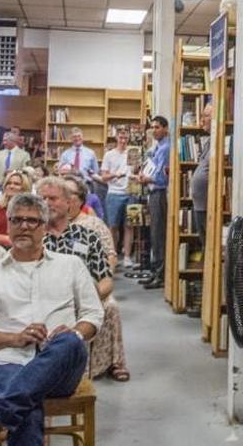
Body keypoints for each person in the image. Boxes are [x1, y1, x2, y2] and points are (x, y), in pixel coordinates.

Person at [0, 192, 102, 446]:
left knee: (70, 341)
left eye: (32, 221)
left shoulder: (71, 265)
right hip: (10, 361)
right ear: (9, 224)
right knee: (25, 407)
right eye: (17, 220)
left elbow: (94, 315)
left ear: (44, 227)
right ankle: (1, 415)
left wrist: (76, 331)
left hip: (62, 366)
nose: (24, 226)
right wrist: (15, 338)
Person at [61, 176, 128, 382]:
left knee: (110, 307)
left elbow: (110, 255)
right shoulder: (52, 225)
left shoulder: (93, 225)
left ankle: (115, 362)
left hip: (92, 284)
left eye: (69, 194)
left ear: (80, 199)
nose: (64, 199)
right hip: (59, 287)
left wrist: (102, 283)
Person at [137, 116, 170, 290]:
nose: (154, 130)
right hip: (153, 192)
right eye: (153, 127)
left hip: (159, 193)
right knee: (154, 233)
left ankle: (160, 274)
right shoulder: (157, 148)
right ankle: (156, 270)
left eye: (157, 127)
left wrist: (146, 178)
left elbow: (162, 178)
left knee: (158, 233)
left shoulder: (165, 148)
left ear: (165, 128)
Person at [101, 128, 133, 263]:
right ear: (116, 138)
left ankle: (127, 257)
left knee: (129, 225)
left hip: (130, 192)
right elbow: (103, 177)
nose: (123, 141)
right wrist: (116, 174)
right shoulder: (109, 155)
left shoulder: (132, 153)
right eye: (121, 138)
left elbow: (137, 169)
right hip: (114, 193)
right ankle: (112, 256)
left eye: (126, 138)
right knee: (112, 226)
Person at [0, 170, 31, 248]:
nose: (11, 186)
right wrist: (7, 239)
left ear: (24, 188)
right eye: (9, 183)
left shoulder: (30, 210)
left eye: (16, 184)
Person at [189, 103, 213, 239]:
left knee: (209, 240)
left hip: (208, 205)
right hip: (200, 204)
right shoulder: (209, 141)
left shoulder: (219, 142)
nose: (202, 120)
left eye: (206, 116)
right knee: (204, 240)